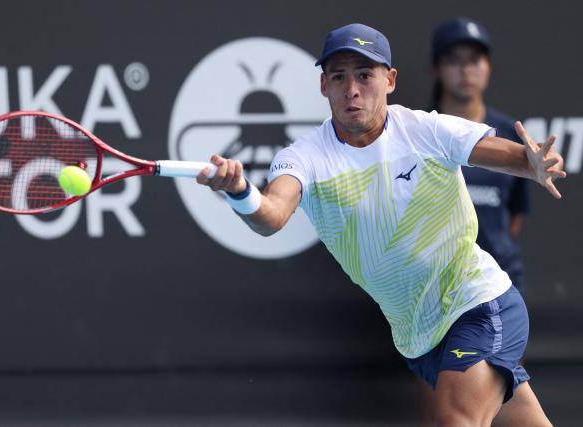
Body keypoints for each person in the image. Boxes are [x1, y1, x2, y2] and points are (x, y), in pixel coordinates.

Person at [196, 23, 564, 426]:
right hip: (420, 338)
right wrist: (239, 190)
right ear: (324, 86)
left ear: (389, 80)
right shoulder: (305, 157)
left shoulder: (427, 130)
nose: (351, 89)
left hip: (477, 302)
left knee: (455, 420)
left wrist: (530, 162)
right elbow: (270, 216)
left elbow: (506, 156)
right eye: (339, 77)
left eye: (364, 75)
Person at [431, 17, 530, 292]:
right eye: (453, 60)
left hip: (500, 281)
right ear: (436, 68)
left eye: (475, 59)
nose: (465, 70)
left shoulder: (512, 132)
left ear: (488, 67)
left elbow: (515, 215)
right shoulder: (417, 131)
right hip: (435, 285)